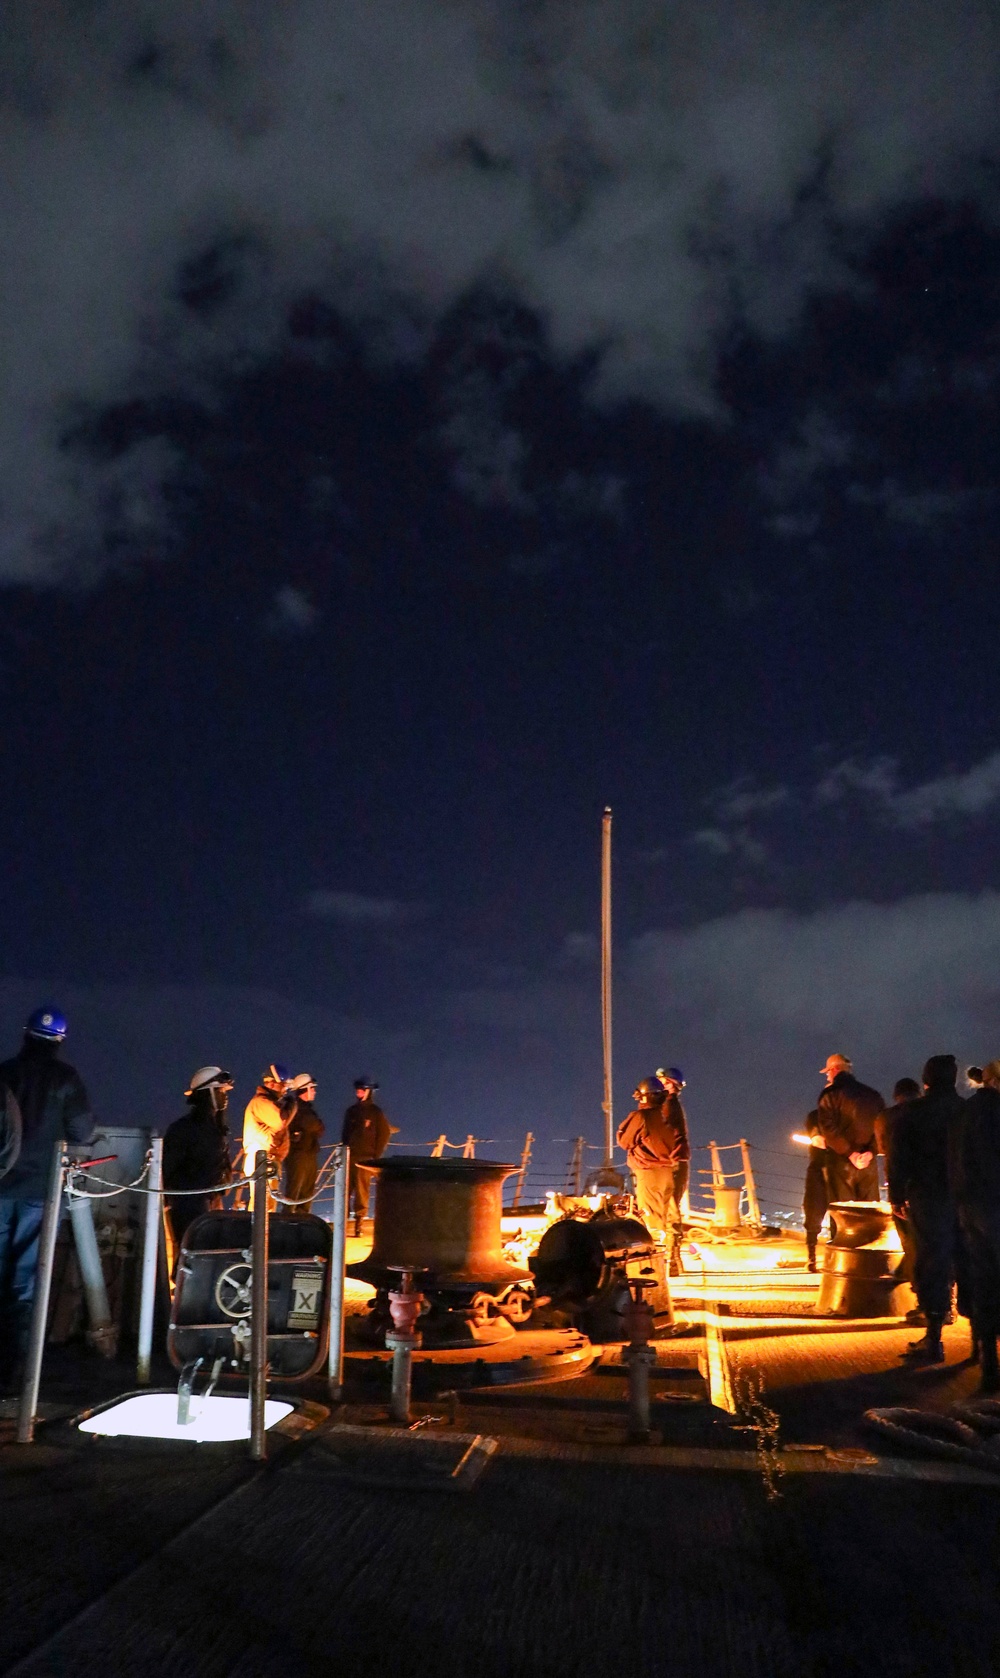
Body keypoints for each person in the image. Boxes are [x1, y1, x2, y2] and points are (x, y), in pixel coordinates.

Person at [0, 1007, 94, 1381]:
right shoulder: (66, 1079)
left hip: (1, 1184)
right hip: (39, 1189)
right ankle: (13, 1369)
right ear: (59, 1041)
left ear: (26, 1034)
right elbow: (82, 1131)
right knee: (25, 1277)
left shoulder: (4, 1072)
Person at [888, 1055, 964, 1364]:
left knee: (930, 1259)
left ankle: (933, 1340)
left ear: (926, 1080)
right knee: (965, 1260)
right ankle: (979, 1346)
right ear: (955, 1079)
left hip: (926, 1197)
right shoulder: (967, 1111)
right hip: (966, 1197)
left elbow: (897, 1158)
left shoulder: (911, 1113)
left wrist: (896, 1196)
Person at [950, 1057, 1000, 1392]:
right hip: (995, 1205)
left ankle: (988, 1363)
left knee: (983, 1278)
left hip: (969, 1207)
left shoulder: (965, 1113)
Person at [162, 1066, 234, 1263]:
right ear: (208, 1093)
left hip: (210, 1199)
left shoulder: (216, 1127)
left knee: (208, 1253)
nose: (224, 1097)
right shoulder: (184, 1129)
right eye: (220, 1091)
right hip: (189, 1203)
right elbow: (169, 1170)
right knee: (189, 1252)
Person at [617, 1075, 689, 1268]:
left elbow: (624, 1141)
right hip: (668, 1172)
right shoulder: (666, 1115)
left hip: (649, 1174)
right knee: (670, 1216)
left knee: (652, 1221)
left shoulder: (641, 1117)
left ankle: (657, 1268)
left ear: (643, 1097)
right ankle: (673, 1260)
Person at [877, 1077, 921, 1311]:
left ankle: (923, 1299)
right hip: (946, 1188)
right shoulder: (943, 1111)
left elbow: (889, 1154)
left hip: (909, 1188)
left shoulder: (888, 1117)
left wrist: (895, 1196)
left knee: (912, 1242)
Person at [814, 1052, 883, 1203]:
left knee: (843, 1218)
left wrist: (851, 1154)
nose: (827, 1077)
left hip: (840, 1165)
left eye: (827, 1072)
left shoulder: (829, 1094)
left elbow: (828, 1129)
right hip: (868, 1166)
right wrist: (870, 1153)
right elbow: (882, 1128)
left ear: (834, 1069)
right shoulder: (873, 1095)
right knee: (870, 1218)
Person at [341, 1078, 391, 1237]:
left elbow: (384, 1134)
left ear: (368, 1091)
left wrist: (375, 1156)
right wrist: (345, 1149)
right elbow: (345, 1133)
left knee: (362, 1193)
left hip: (366, 1158)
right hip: (350, 1157)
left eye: (362, 1089)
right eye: (357, 1089)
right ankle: (343, 1224)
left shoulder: (376, 1112)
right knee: (346, 1191)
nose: (358, 1092)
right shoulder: (351, 1111)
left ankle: (359, 1225)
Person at [243, 1063, 294, 1210]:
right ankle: (256, 1233)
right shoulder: (261, 1102)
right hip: (261, 1160)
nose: (285, 1089)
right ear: (272, 1084)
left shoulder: (269, 1102)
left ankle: (265, 1232)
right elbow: (280, 1121)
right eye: (282, 1085)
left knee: (268, 1206)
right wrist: (291, 1106)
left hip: (268, 1159)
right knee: (262, 1206)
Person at [284, 1074, 324, 1213]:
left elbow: (318, 1128)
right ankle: (288, 1224)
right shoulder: (300, 1110)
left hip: (306, 1154)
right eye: (312, 1088)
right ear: (304, 1090)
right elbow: (318, 1127)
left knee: (304, 1193)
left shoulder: (302, 1109)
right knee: (295, 1193)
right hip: (299, 1156)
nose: (314, 1091)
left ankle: (298, 1224)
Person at [656, 1066, 691, 1217]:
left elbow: (665, 1134)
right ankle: (671, 1236)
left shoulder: (669, 1105)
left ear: (670, 1084)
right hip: (676, 1160)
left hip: (673, 1161)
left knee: (670, 1204)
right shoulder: (670, 1104)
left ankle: (672, 1237)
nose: (658, 1084)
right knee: (670, 1203)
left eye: (662, 1081)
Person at [801, 1110, 831, 1273]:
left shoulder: (843, 1114)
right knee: (814, 1211)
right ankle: (812, 1257)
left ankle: (820, 1257)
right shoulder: (816, 1115)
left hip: (835, 1167)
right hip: (821, 1168)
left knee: (819, 1211)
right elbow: (813, 1130)